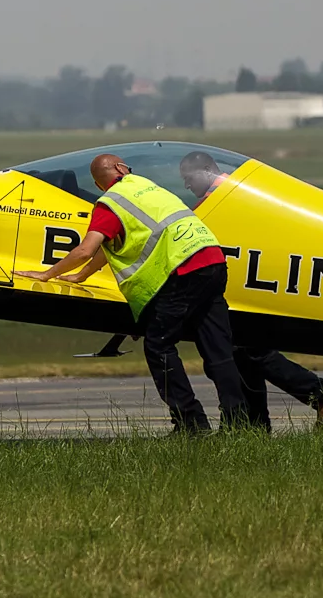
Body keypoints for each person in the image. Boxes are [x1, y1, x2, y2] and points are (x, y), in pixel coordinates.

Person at [16, 151, 249, 434]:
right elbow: (108, 245)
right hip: (212, 261)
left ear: (100, 182)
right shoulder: (144, 187)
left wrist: (46, 274)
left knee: (159, 346)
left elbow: (85, 249)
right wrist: (82, 275)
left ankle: (191, 422)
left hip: (183, 271)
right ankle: (238, 424)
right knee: (218, 350)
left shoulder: (110, 204)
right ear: (120, 168)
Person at [177, 151, 323, 430]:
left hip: (241, 291)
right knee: (243, 351)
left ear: (207, 170)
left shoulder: (216, 204)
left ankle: (318, 392)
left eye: (188, 178)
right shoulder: (229, 197)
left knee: (246, 351)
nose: (186, 185)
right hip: (245, 288)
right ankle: (256, 425)